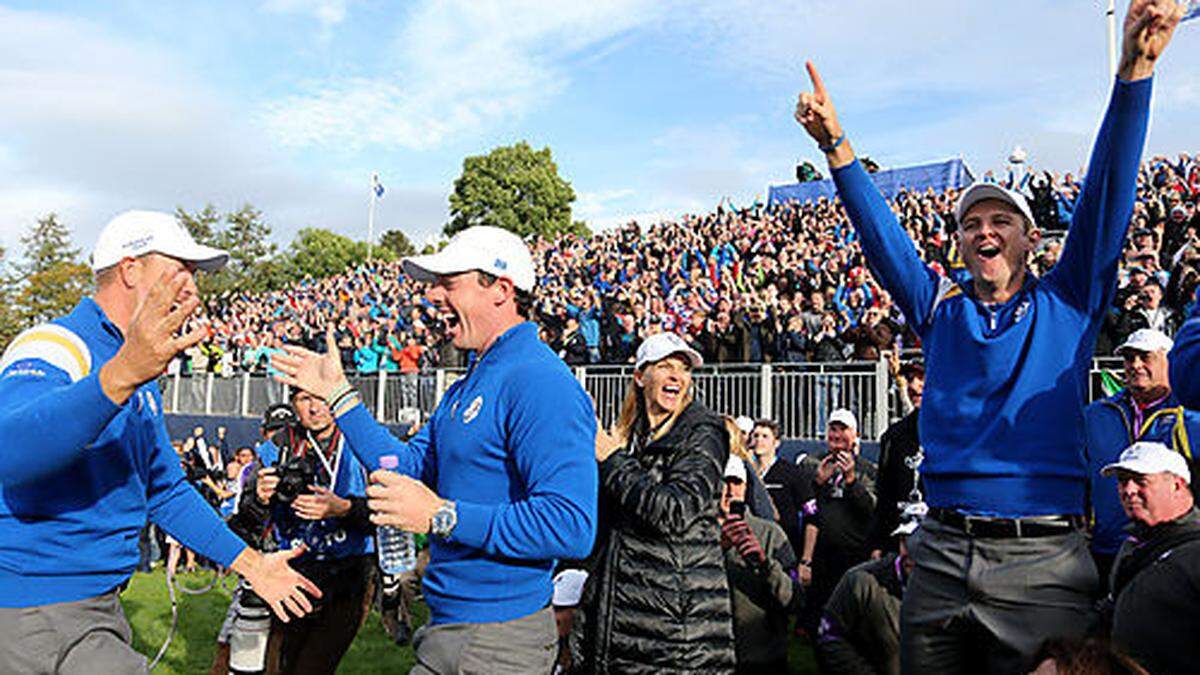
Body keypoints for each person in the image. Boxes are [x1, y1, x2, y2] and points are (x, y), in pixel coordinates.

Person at [793, 1, 1182, 670]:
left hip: (1044, 561)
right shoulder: (941, 308)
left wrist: (1134, 73)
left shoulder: (1069, 300)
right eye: (973, 222)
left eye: (1002, 219)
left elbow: (1108, 198)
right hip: (940, 551)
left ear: (1033, 240)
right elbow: (883, 242)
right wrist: (836, 147)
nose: (985, 230)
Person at [0, 210, 318, 673]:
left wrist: (251, 563)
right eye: (181, 269)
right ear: (130, 270)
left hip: (94, 605)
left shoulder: (138, 364)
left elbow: (164, 489)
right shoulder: (57, 344)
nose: (192, 287)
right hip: (40, 611)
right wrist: (121, 375)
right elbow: (8, 452)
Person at [272, 225, 597, 675]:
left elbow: (571, 525)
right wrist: (340, 397)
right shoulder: (469, 384)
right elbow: (405, 468)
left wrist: (442, 515)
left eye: (449, 282)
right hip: (455, 628)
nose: (434, 296)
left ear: (501, 289)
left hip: (496, 638)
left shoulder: (539, 380)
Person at [577, 331, 735, 673]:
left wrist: (612, 460)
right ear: (639, 376)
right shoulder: (632, 439)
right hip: (626, 628)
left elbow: (675, 511)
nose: (677, 376)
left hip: (677, 637)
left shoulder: (703, 431)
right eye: (665, 367)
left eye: (684, 368)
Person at [231, 386, 377, 674]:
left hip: (349, 571)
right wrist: (259, 498)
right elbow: (245, 522)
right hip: (293, 571)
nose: (314, 408)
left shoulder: (362, 439)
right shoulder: (279, 445)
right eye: (304, 399)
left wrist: (345, 508)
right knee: (281, 665)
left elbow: (392, 511)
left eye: (321, 397)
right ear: (293, 403)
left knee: (313, 666)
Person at [1084, 328, 1200, 587]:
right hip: (1106, 548)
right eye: (1129, 358)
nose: (1135, 365)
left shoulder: (1190, 415)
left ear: (1170, 361)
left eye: (1145, 357)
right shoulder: (1096, 414)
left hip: (1173, 549)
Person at [1098, 441, 1200, 674]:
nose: (1129, 490)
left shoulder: (1195, 553)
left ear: (1177, 485)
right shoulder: (1130, 548)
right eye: (1123, 481)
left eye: (1141, 481)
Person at [719, 454, 802, 674]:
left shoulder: (770, 533)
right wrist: (718, 550)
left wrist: (766, 565)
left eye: (736, 483)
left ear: (746, 487)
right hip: (710, 655)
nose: (730, 491)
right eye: (724, 482)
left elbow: (794, 600)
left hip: (762, 657)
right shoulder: (695, 533)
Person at [797, 409, 876, 633]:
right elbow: (805, 507)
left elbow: (871, 510)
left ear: (855, 435)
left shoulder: (868, 469)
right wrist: (818, 483)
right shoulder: (812, 464)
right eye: (833, 428)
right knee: (817, 619)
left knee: (851, 617)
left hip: (853, 552)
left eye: (843, 429)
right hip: (820, 551)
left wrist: (852, 481)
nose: (837, 434)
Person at [816, 513, 918, 675]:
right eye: (906, 542)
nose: (912, 553)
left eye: (922, 545)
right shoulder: (860, 580)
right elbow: (830, 637)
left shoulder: (952, 585)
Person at [868, 360, 925, 558]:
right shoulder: (894, 435)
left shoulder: (955, 433)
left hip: (939, 543)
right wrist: (878, 542)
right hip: (897, 543)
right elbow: (885, 493)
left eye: (922, 378)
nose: (914, 385)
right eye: (910, 379)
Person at [750, 418, 811, 561]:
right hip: (753, 548)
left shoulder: (792, 473)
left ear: (776, 443)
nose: (759, 440)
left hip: (784, 549)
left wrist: (806, 559)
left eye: (765, 436)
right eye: (756, 435)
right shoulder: (746, 473)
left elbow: (811, 515)